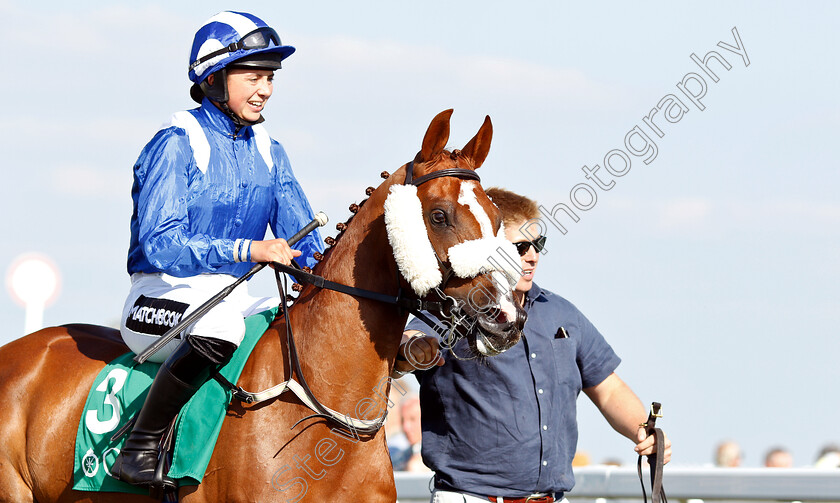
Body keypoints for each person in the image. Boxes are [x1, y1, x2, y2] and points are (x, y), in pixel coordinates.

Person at [110, 11, 323, 489]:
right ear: (213, 78)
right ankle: (139, 448)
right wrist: (248, 249)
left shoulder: (271, 149)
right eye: (253, 76)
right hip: (158, 296)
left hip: (234, 293)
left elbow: (304, 243)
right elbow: (161, 244)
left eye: (270, 77)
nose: (265, 88)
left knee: (306, 323)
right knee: (221, 323)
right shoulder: (175, 142)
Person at [391, 187, 671, 502]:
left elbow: (608, 389)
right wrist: (412, 348)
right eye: (520, 246)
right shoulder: (455, 308)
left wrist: (641, 430)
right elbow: (409, 342)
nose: (532, 255)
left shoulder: (561, 313)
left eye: (538, 244)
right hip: (472, 497)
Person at [390, 396, 431, 472]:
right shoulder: (398, 459)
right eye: (403, 420)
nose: (406, 427)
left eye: (412, 419)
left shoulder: (440, 458)